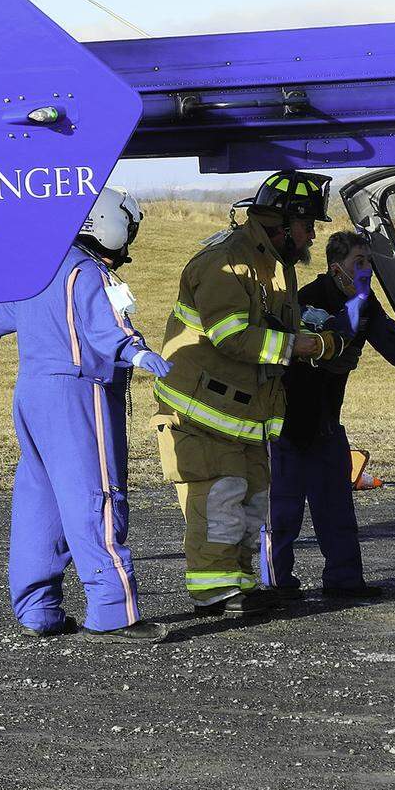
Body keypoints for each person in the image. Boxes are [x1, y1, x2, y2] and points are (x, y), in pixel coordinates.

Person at [0, 185, 172, 643]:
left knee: (39, 500)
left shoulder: (37, 265)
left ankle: (38, 610)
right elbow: (106, 326)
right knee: (94, 496)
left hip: (32, 394)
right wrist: (136, 352)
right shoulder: (87, 272)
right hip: (78, 392)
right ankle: (113, 612)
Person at [152, 171, 337, 616]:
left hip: (245, 415)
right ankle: (214, 594)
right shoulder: (224, 262)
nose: (312, 235)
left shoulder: (274, 264)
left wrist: (318, 339)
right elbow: (230, 335)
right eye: (307, 225)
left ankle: (240, 584)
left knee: (249, 504)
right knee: (218, 502)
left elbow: (275, 326)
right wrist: (297, 346)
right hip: (201, 412)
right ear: (282, 223)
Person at [261, 231, 395, 600]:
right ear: (335, 268)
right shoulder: (309, 299)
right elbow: (314, 346)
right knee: (282, 513)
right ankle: (276, 584)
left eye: (369, 264)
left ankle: (344, 581)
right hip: (286, 421)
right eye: (359, 264)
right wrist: (348, 317)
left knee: (336, 508)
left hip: (326, 420)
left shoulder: (366, 303)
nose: (366, 272)